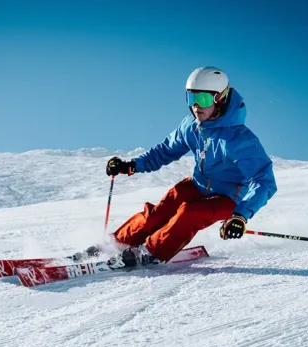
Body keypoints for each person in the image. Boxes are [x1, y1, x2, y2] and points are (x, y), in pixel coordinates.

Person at [104, 66, 277, 268]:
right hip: (197, 185)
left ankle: (150, 253)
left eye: (202, 99)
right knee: (161, 211)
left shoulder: (239, 140)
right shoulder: (191, 126)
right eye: (190, 98)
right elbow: (165, 151)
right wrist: (131, 165)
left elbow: (264, 181)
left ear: (219, 99)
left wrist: (241, 215)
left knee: (190, 213)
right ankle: (117, 243)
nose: (195, 106)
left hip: (229, 198)